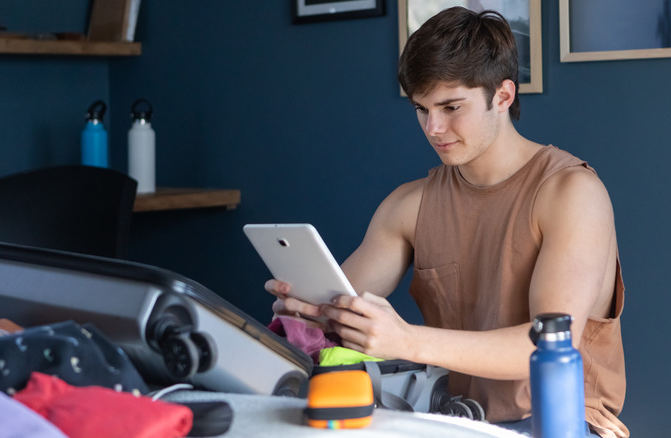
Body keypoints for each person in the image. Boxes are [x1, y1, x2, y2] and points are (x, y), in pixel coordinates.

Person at [267, 7, 628, 438]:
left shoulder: (572, 193)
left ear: (504, 95)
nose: (434, 128)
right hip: (454, 419)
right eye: (421, 109)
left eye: (451, 106)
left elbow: (547, 346)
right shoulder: (409, 205)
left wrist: (404, 339)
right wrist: (311, 314)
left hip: (560, 422)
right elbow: (340, 306)